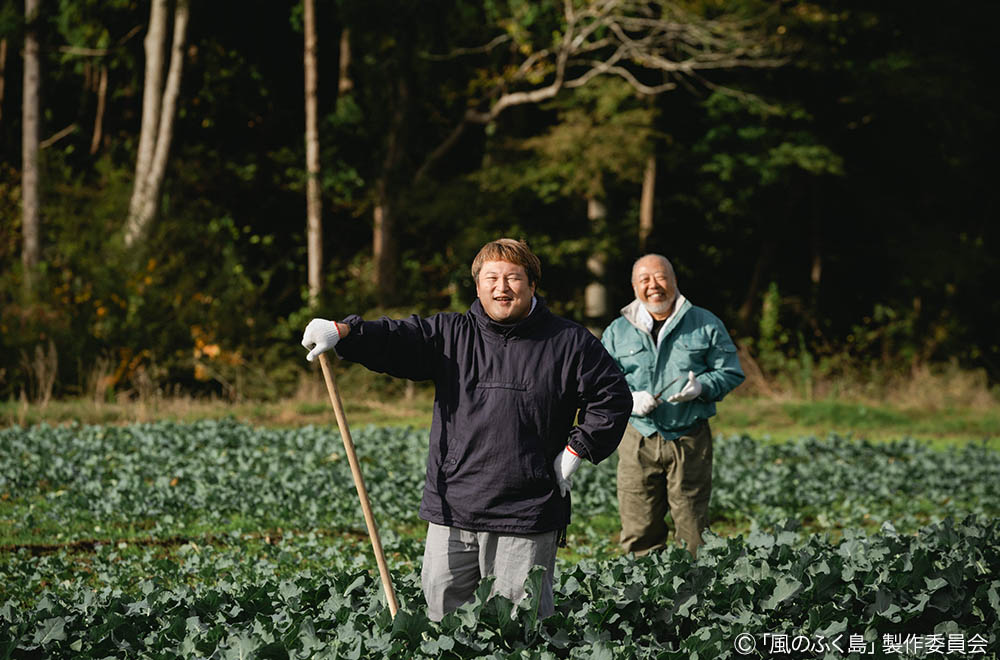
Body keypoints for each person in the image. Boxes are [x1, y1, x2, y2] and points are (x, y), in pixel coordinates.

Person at [301, 238, 632, 620]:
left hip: (527, 511)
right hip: (454, 506)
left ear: (532, 285)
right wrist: (344, 332)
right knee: (443, 618)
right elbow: (397, 339)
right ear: (477, 286)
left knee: (518, 628)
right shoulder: (451, 334)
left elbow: (612, 396)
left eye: (513, 278)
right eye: (491, 277)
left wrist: (577, 450)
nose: (501, 287)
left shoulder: (568, 342)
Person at [600, 254, 744, 557]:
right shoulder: (617, 331)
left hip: (689, 436)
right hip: (636, 436)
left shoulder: (704, 323)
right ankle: (643, 597)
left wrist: (703, 387)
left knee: (693, 528)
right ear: (634, 286)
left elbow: (730, 371)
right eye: (644, 279)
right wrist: (628, 399)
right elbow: (601, 381)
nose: (654, 285)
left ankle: (695, 596)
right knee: (638, 527)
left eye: (661, 277)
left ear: (674, 281)